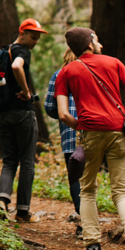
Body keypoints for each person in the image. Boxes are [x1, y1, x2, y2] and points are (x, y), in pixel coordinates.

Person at [54, 28, 125, 250]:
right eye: (97, 40)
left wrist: (83, 126)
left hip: (90, 135)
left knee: (88, 191)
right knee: (121, 192)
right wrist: (120, 120)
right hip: (119, 133)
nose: (102, 44)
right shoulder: (115, 63)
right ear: (89, 42)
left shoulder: (66, 72)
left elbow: (64, 114)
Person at [0, 18, 47, 222]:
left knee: (9, 161)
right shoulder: (21, 52)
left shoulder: (2, 53)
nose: (35, 42)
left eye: (38, 38)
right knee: (26, 162)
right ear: (22, 33)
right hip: (22, 113)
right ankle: (23, 211)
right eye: (33, 37)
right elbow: (17, 67)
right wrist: (26, 92)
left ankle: (2, 201)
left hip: (2, 113)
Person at [43, 47, 82, 238]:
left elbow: (49, 106)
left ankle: (83, 219)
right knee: (89, 177)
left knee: (75, 177)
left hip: (69, 132)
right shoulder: (91, 71)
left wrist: (60, 114)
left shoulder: (59, 75)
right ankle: (90, 222)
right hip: (93, 130)